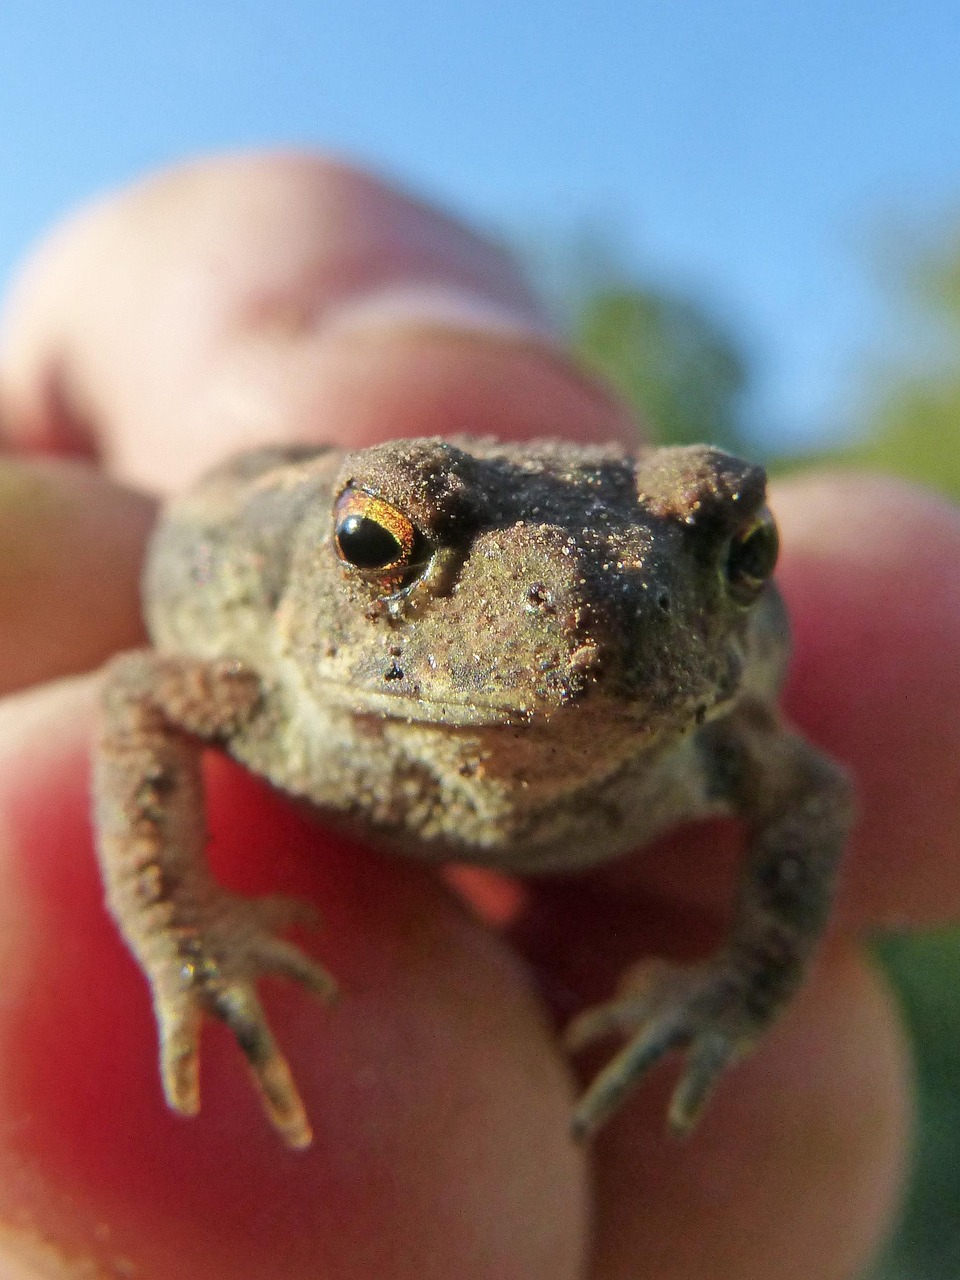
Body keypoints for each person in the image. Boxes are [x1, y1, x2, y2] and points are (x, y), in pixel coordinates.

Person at [0, 153, 956, 1280]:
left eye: (736, 556)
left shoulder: (716, 734)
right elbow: (142, 696)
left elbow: (813, 795)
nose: (590, 638)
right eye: (380, 550)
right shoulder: (270, 687)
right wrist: (181, 925)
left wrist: (732, 991)